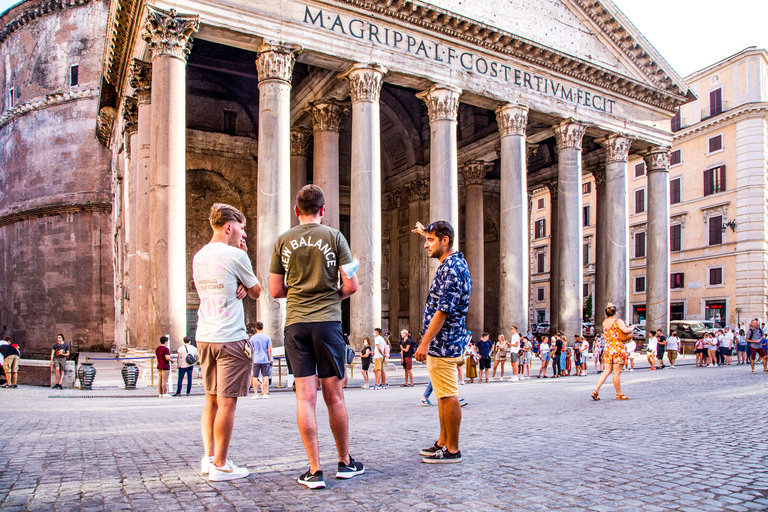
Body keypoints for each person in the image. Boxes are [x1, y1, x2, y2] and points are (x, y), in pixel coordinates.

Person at [269, 185, 363, 488]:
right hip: (328, 323)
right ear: (323, 211)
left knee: (305, 398)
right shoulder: (336, 237)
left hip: (296, 324)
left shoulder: (282, 241)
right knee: (333, 396)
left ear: (297, 211)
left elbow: (275, 291)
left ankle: (314, 470)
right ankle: (345, 462)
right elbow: (352, 286)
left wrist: (299, 290)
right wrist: (331, 294)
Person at [194, 203, 261, 481]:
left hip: (204, 336)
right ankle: (222, 464)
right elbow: (257, 292)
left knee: (210, 400)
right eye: (241, 229)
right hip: (231, 338)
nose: (242, 235)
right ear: (229, 227)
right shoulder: (236, 255)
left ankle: (209, 458)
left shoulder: (199, 256)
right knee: (227, 403)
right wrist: (244, 263)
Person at [412, 220, 471, 464]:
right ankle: (442, 442)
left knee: (448, 396)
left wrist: (424, 343)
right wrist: (425, 231)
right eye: (426, 240)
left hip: (444, 341)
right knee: (442, 395)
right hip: (445, 341)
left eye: (430, 240)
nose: (426, 245)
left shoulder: (450, 268)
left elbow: (442, 310)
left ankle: (453, 449)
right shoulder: (454, 263)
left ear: (445, 240)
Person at [591, 304, 633, 401]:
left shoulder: (605, 322)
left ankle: (595, 390)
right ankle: (619, 393)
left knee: (606, 371)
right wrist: (632, 328)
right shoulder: (617, 321)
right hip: (617, 347)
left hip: (608, 348)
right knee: (616, 373)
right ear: (616, 312)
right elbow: (625, 330)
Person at [249, 322, 272, 399]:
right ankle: (265, 393)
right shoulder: (267, 337)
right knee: (265, 376)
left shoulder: (253, 338)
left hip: (256, 359)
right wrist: (270, 359)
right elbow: (270, 350)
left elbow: (250, 349)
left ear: (256, 328)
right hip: (264, 359)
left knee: (255, 377)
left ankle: (255, 394)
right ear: (262, 327)